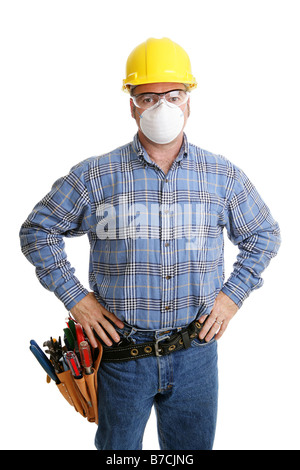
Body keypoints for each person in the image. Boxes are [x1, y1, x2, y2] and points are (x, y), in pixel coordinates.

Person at [20, 37, 281, 450]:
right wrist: (76, 298)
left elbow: (263, 235)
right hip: (119, 356)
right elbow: (37, 230)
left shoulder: (222, 176)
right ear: (131, 104)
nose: (162, 106)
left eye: (173, 94)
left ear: (189, 101)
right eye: (148, 96)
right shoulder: (94, 176)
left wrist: (232, 296)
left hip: (195, 350)